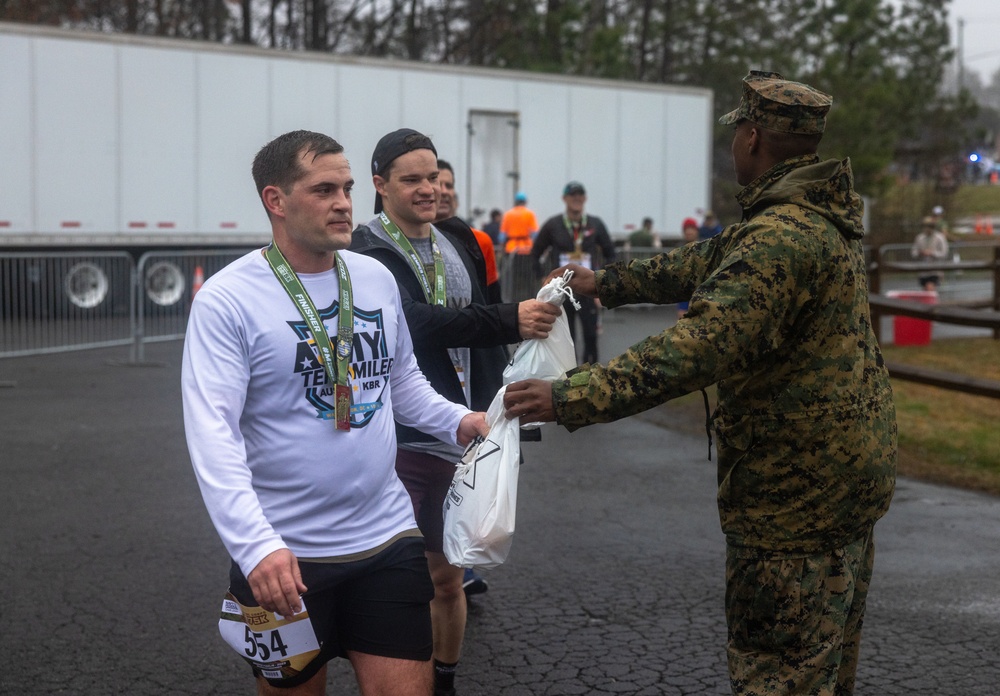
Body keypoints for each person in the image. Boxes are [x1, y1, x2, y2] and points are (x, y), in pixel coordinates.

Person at [504, 70, 897, 695]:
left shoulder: (779, 238)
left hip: (794, 493)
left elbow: (697, 347)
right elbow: (706, 262)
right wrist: (605, 282)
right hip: (844, 475)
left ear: (752, 138)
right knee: (823, 662)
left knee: (780, 672)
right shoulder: (809, 217)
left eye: (738, 131)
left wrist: (570, 395)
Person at [182, 130, 488, 696]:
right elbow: (212, 435)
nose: (344, 202)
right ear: (276, 200)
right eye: (324, 189)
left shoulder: (374, 279)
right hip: (283, 558)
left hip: (386, 539)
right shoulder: (227, 300)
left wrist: (459, 420)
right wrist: (256, 547)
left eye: (346, 188)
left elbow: (403, 383)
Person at [350, 129, 559, 696]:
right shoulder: (365, 251)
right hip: (403, 434)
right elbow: (417, 323)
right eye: (411, 180)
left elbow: (484, 318)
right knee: (396, 574)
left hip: (468, 427)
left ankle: (443, 678)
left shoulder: (459, 237)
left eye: (433, 179)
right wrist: (509, 319)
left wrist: (509, 396)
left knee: (450, 578)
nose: (427, 190)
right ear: (379, 185)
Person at [531, 180, 617, 364]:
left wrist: (602, 284)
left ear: (585, 198)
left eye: (580, 195)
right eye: (572, 195)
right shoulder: (553, 225)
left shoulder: (595, 224)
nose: (576, 198)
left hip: (588, 289)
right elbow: (535, 252)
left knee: (590, 336)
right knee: (564, 339)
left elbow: (611, 254)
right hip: (561, 291)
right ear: (565, 198)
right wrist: (542, 278)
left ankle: (591, 376)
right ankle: (569, 379)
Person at [499, 191, 539, 302]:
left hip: (511, 249)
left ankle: (510, 300)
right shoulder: (529, 214)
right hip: (526, 249)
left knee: (510, 278)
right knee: (528, 278)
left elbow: (502, 236)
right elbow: (535, 234)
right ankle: (531, 299)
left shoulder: (508, 214)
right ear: (525, 202)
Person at [911, 215, 949, 290]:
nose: (927, 229)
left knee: (930, 288)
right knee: (925, 292)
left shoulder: (939, 238)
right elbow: (913, 252)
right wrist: (920, 253)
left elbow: (944, 253)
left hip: (935, 270)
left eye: (930, 226)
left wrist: (932, 253)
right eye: (926, 226)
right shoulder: (920, 238)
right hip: (923, 270)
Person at [675, 217, 700, 318]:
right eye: (687, 229)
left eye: (691, 229)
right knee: (682, 317)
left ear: (696, 231)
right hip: (684, 289)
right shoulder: (679, 249)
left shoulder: (705, 246)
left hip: (700, 290)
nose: (689, 232)